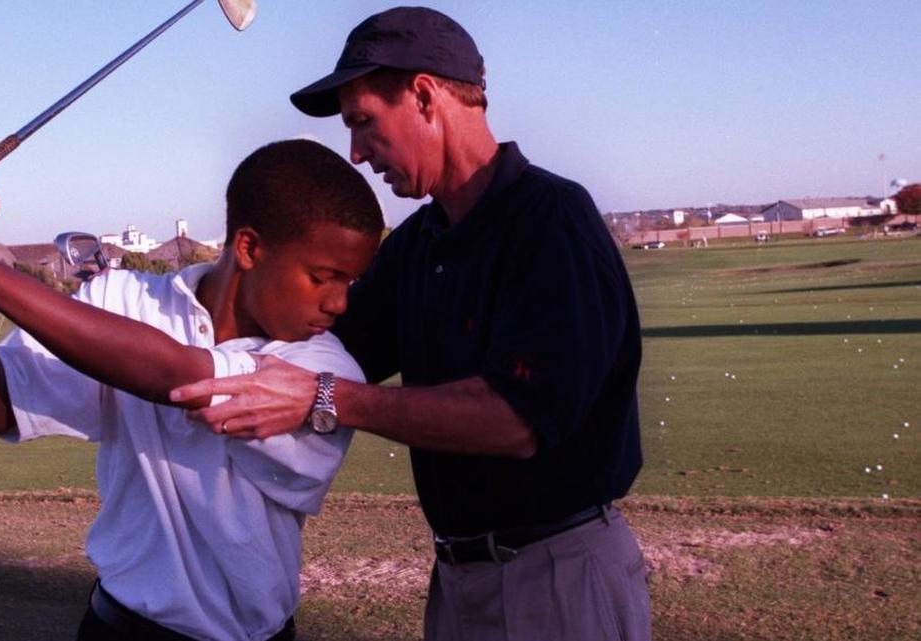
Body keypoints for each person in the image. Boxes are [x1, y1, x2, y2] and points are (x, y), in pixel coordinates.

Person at [170, 7, 652, 640]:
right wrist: (183, 305)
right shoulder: (420, 244)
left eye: (364, 123)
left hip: (557, 577)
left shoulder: (550, 220)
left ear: (425, 96)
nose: (356, 153)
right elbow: (318, 342)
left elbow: (516, 420)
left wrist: (326, 399)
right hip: (458, 578)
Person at [0, 139, 384, 640]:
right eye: (323, 278)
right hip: (115, 627)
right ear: (250, 248)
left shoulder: (324, 370)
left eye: (351, 282)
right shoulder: (119, 298)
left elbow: (178, 376)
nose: (339, 303)